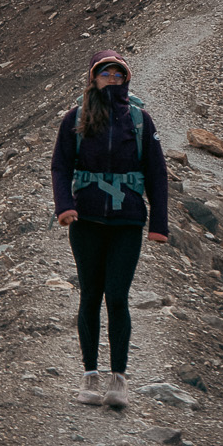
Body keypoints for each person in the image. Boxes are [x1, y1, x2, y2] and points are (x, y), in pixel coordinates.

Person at [51, 48, 168, 409]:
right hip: (85, 219)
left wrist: (159, 224)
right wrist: (64, 207)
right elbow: (60, 167)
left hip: (128, 221)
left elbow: (157, 173)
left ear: (126, 78)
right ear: (93, 77)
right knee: (90, 295)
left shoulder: (140, 120)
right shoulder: (75, 118)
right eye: (106, 73)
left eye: (118, 74)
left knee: (117, 297)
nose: (113, 80)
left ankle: (119, 379)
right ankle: (89, 376)